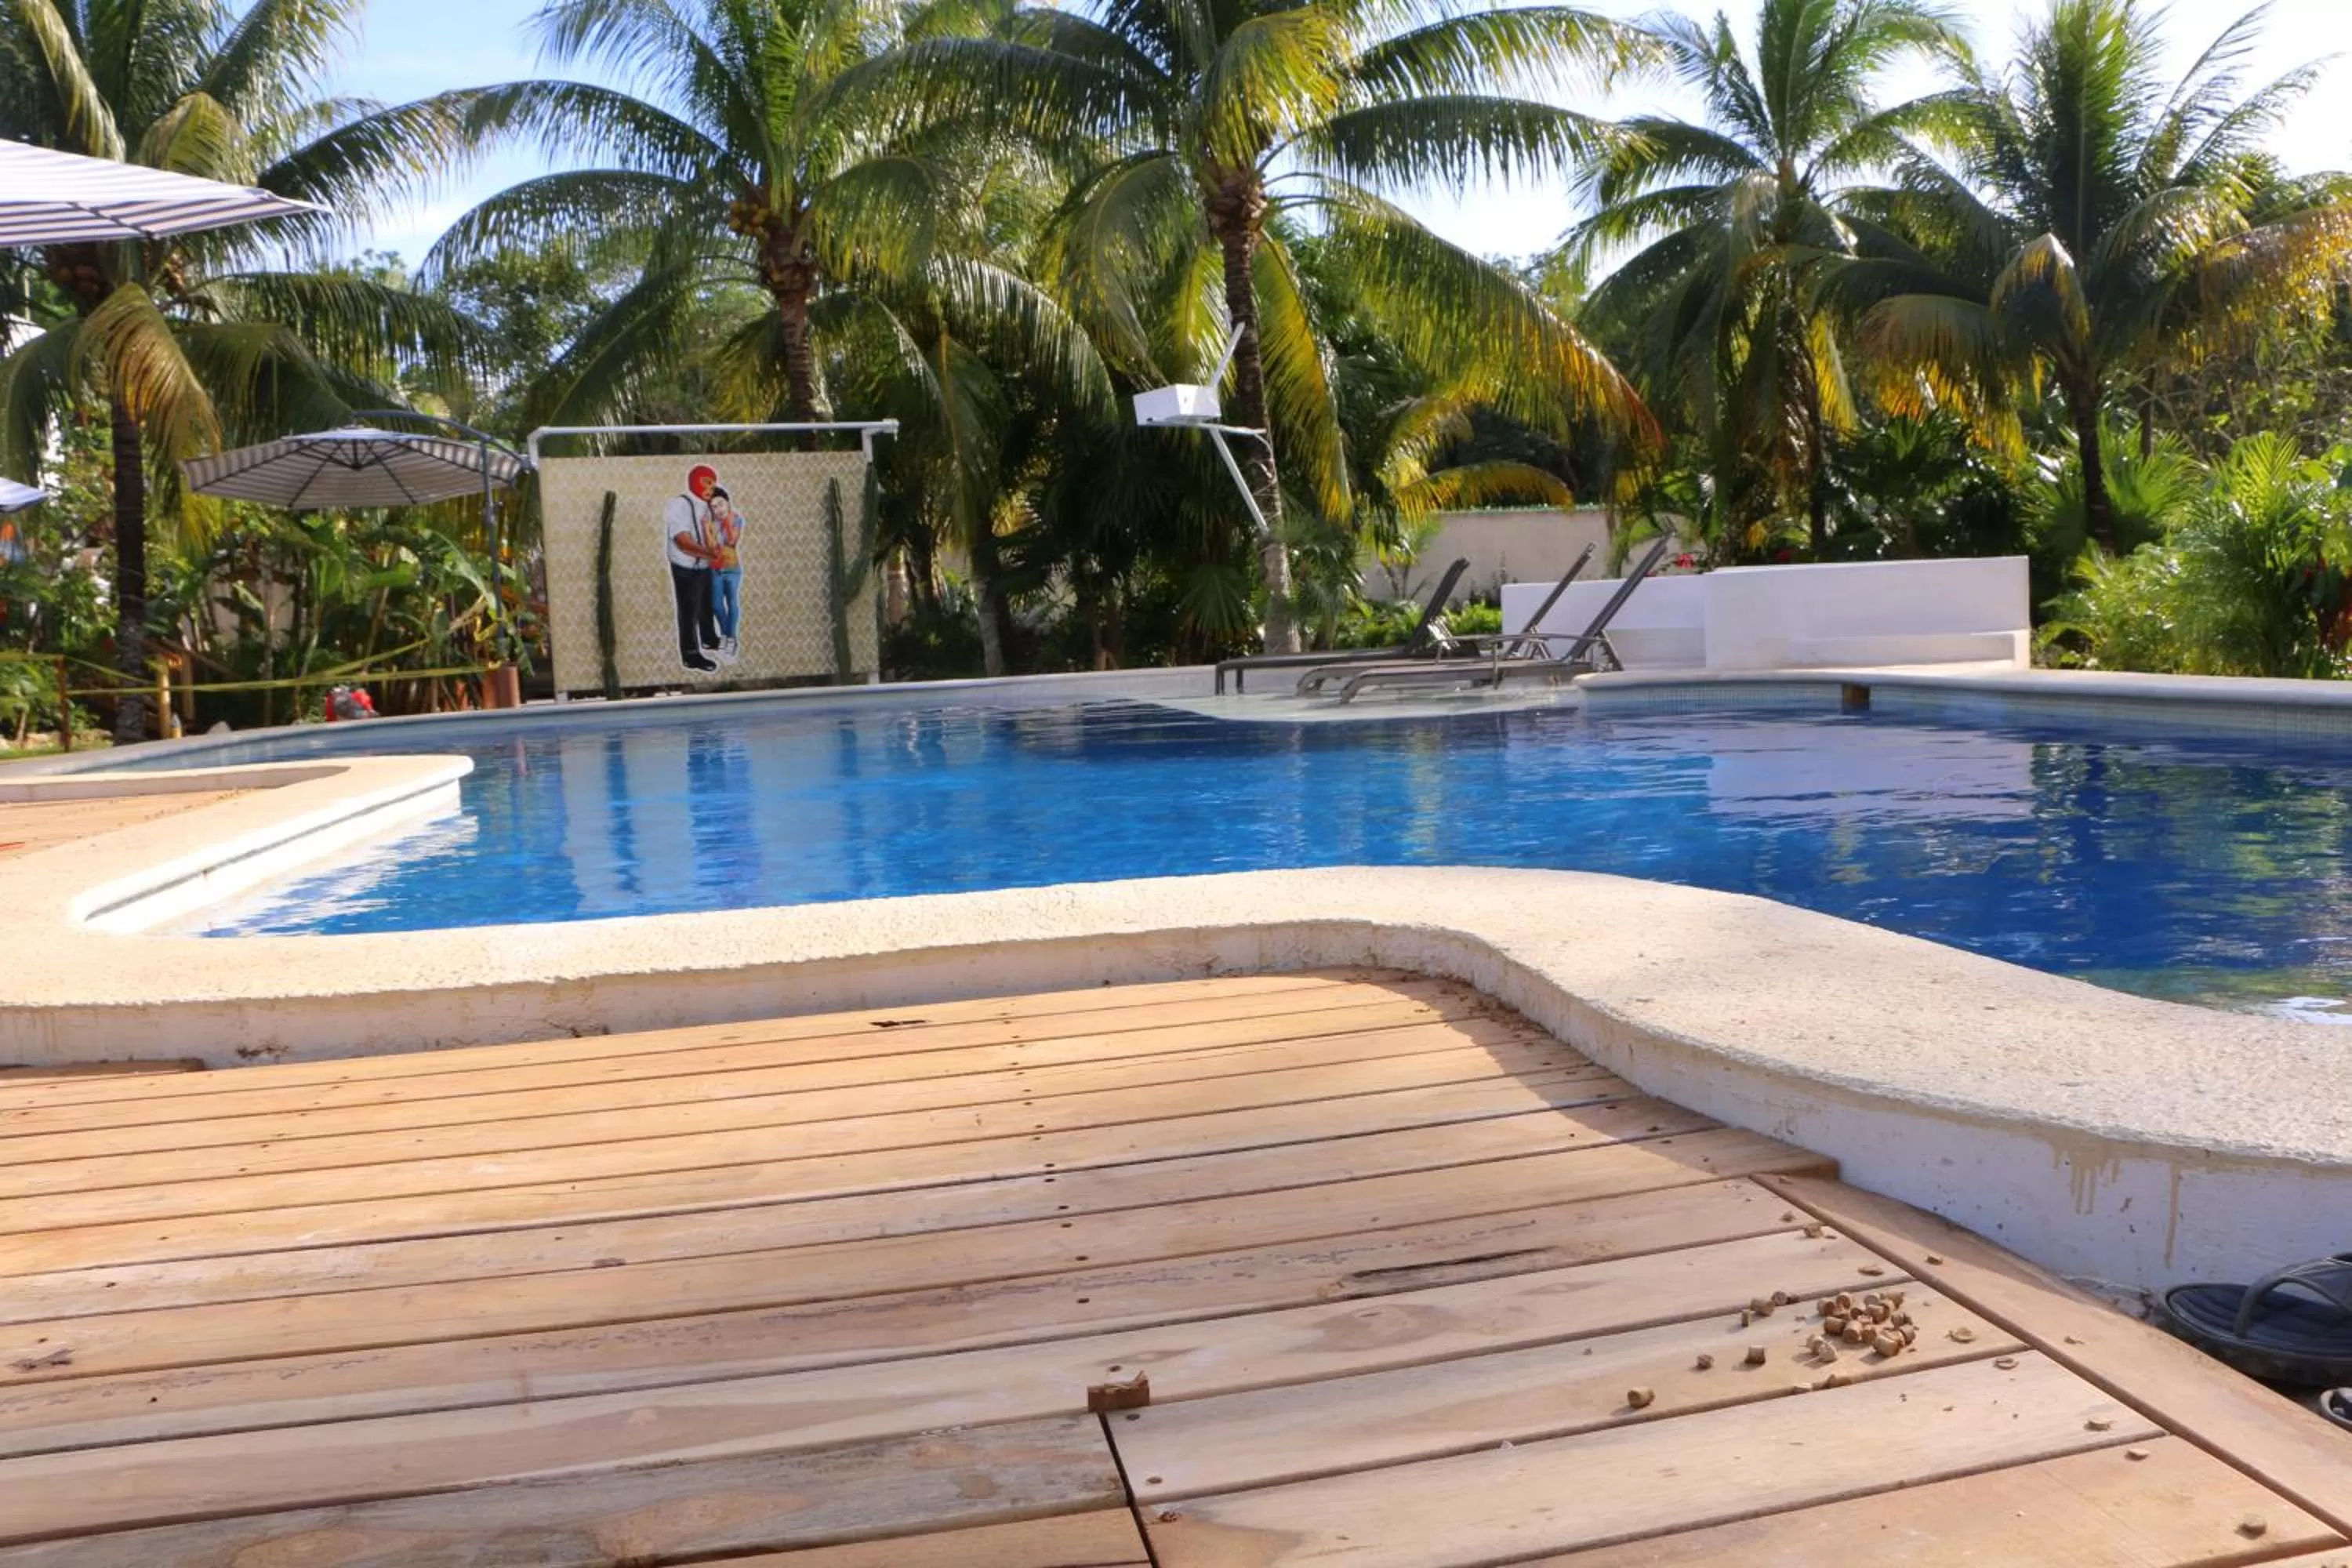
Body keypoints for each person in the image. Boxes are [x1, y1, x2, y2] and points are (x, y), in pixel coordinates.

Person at [663, 466, 724, 672]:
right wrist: (711, 554)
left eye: (713, 484)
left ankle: (709, 639)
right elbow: (683, 542)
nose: (710, 488)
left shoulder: (709, 506)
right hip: (686, 567)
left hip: (704, 566)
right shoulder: (680, 504)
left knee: (706, 604)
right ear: (695, 480)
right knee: (688, 610)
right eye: (706, 482)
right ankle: (691, 654)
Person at [706, 485, 746, 663]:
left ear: (728, 503)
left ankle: (731, 640)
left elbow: (731, 540)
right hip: (715, 569)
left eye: (720, 504)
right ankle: (726, 634)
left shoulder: (736, 519)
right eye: (714, 507)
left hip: (732, 569)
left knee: (732, 603)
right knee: (716, 605)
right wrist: (708, 527)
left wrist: (726, 521)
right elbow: (711, 546)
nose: (718, 510)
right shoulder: (710, 523)